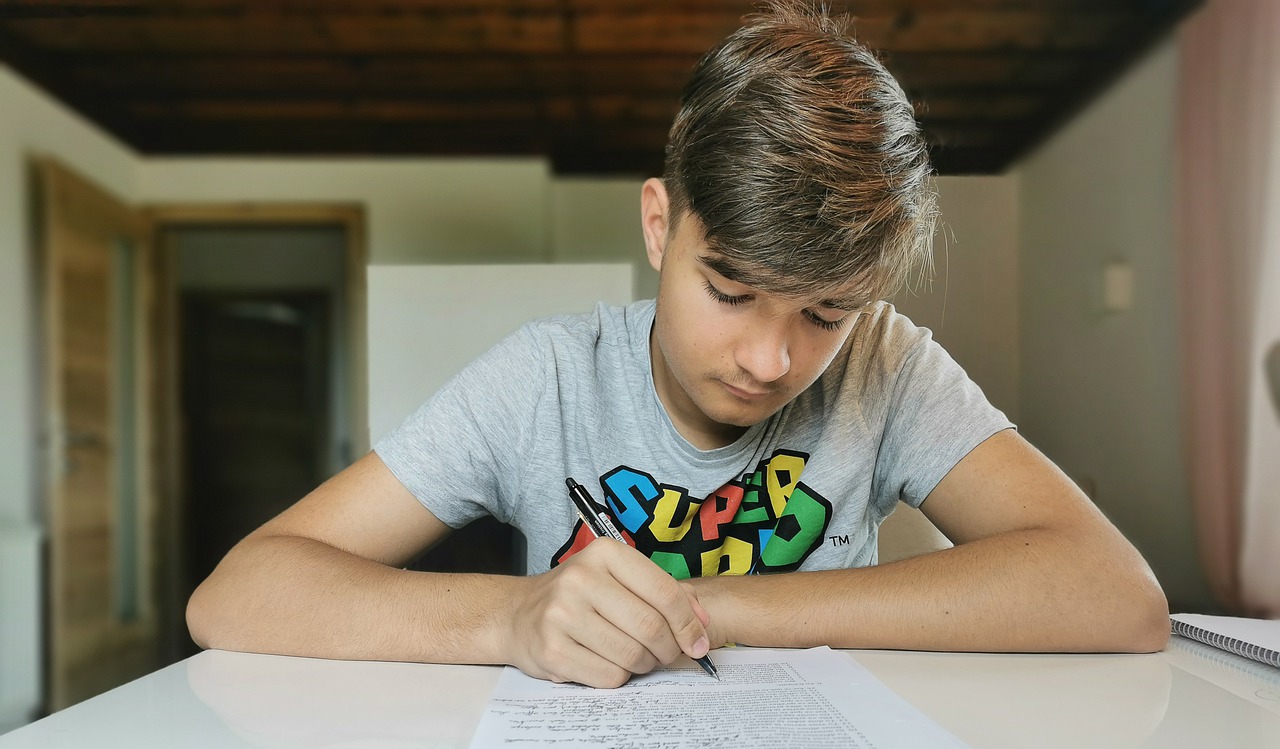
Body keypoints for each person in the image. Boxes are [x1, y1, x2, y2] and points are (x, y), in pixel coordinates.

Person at [187, 2, 1169, 687]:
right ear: (659, 227)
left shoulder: (886, 360)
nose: (769, 361)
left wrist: (713, 608)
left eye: (825, 313)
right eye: (732, 292)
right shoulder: (544, 377)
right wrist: (509, 618)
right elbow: (239, 596)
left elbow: (1112, 595)